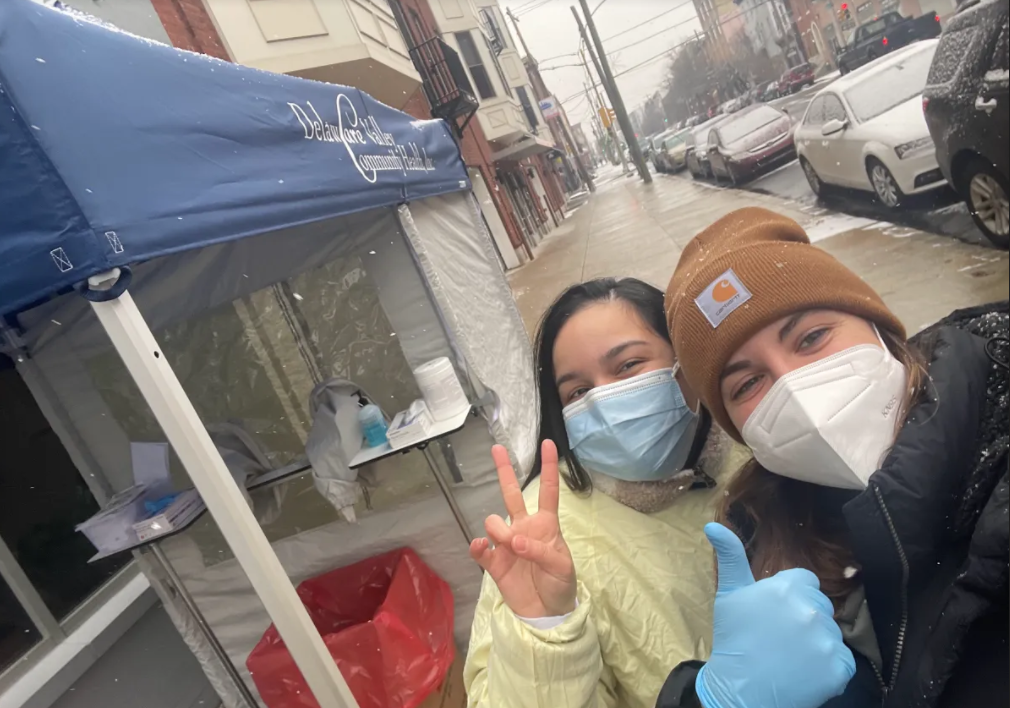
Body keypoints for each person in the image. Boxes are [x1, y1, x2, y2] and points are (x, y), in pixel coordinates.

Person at [658, 207, 1008, 708]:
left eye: (811, 337)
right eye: (748, 383)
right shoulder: (767, 551)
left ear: (875, 325)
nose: (795, 387)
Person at [462, 278, 745, 707]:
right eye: (578, 391)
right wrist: (545, 634)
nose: (604, 400)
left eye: (627, 365)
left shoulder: (754, 448)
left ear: (683, 360)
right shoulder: (541, 530)